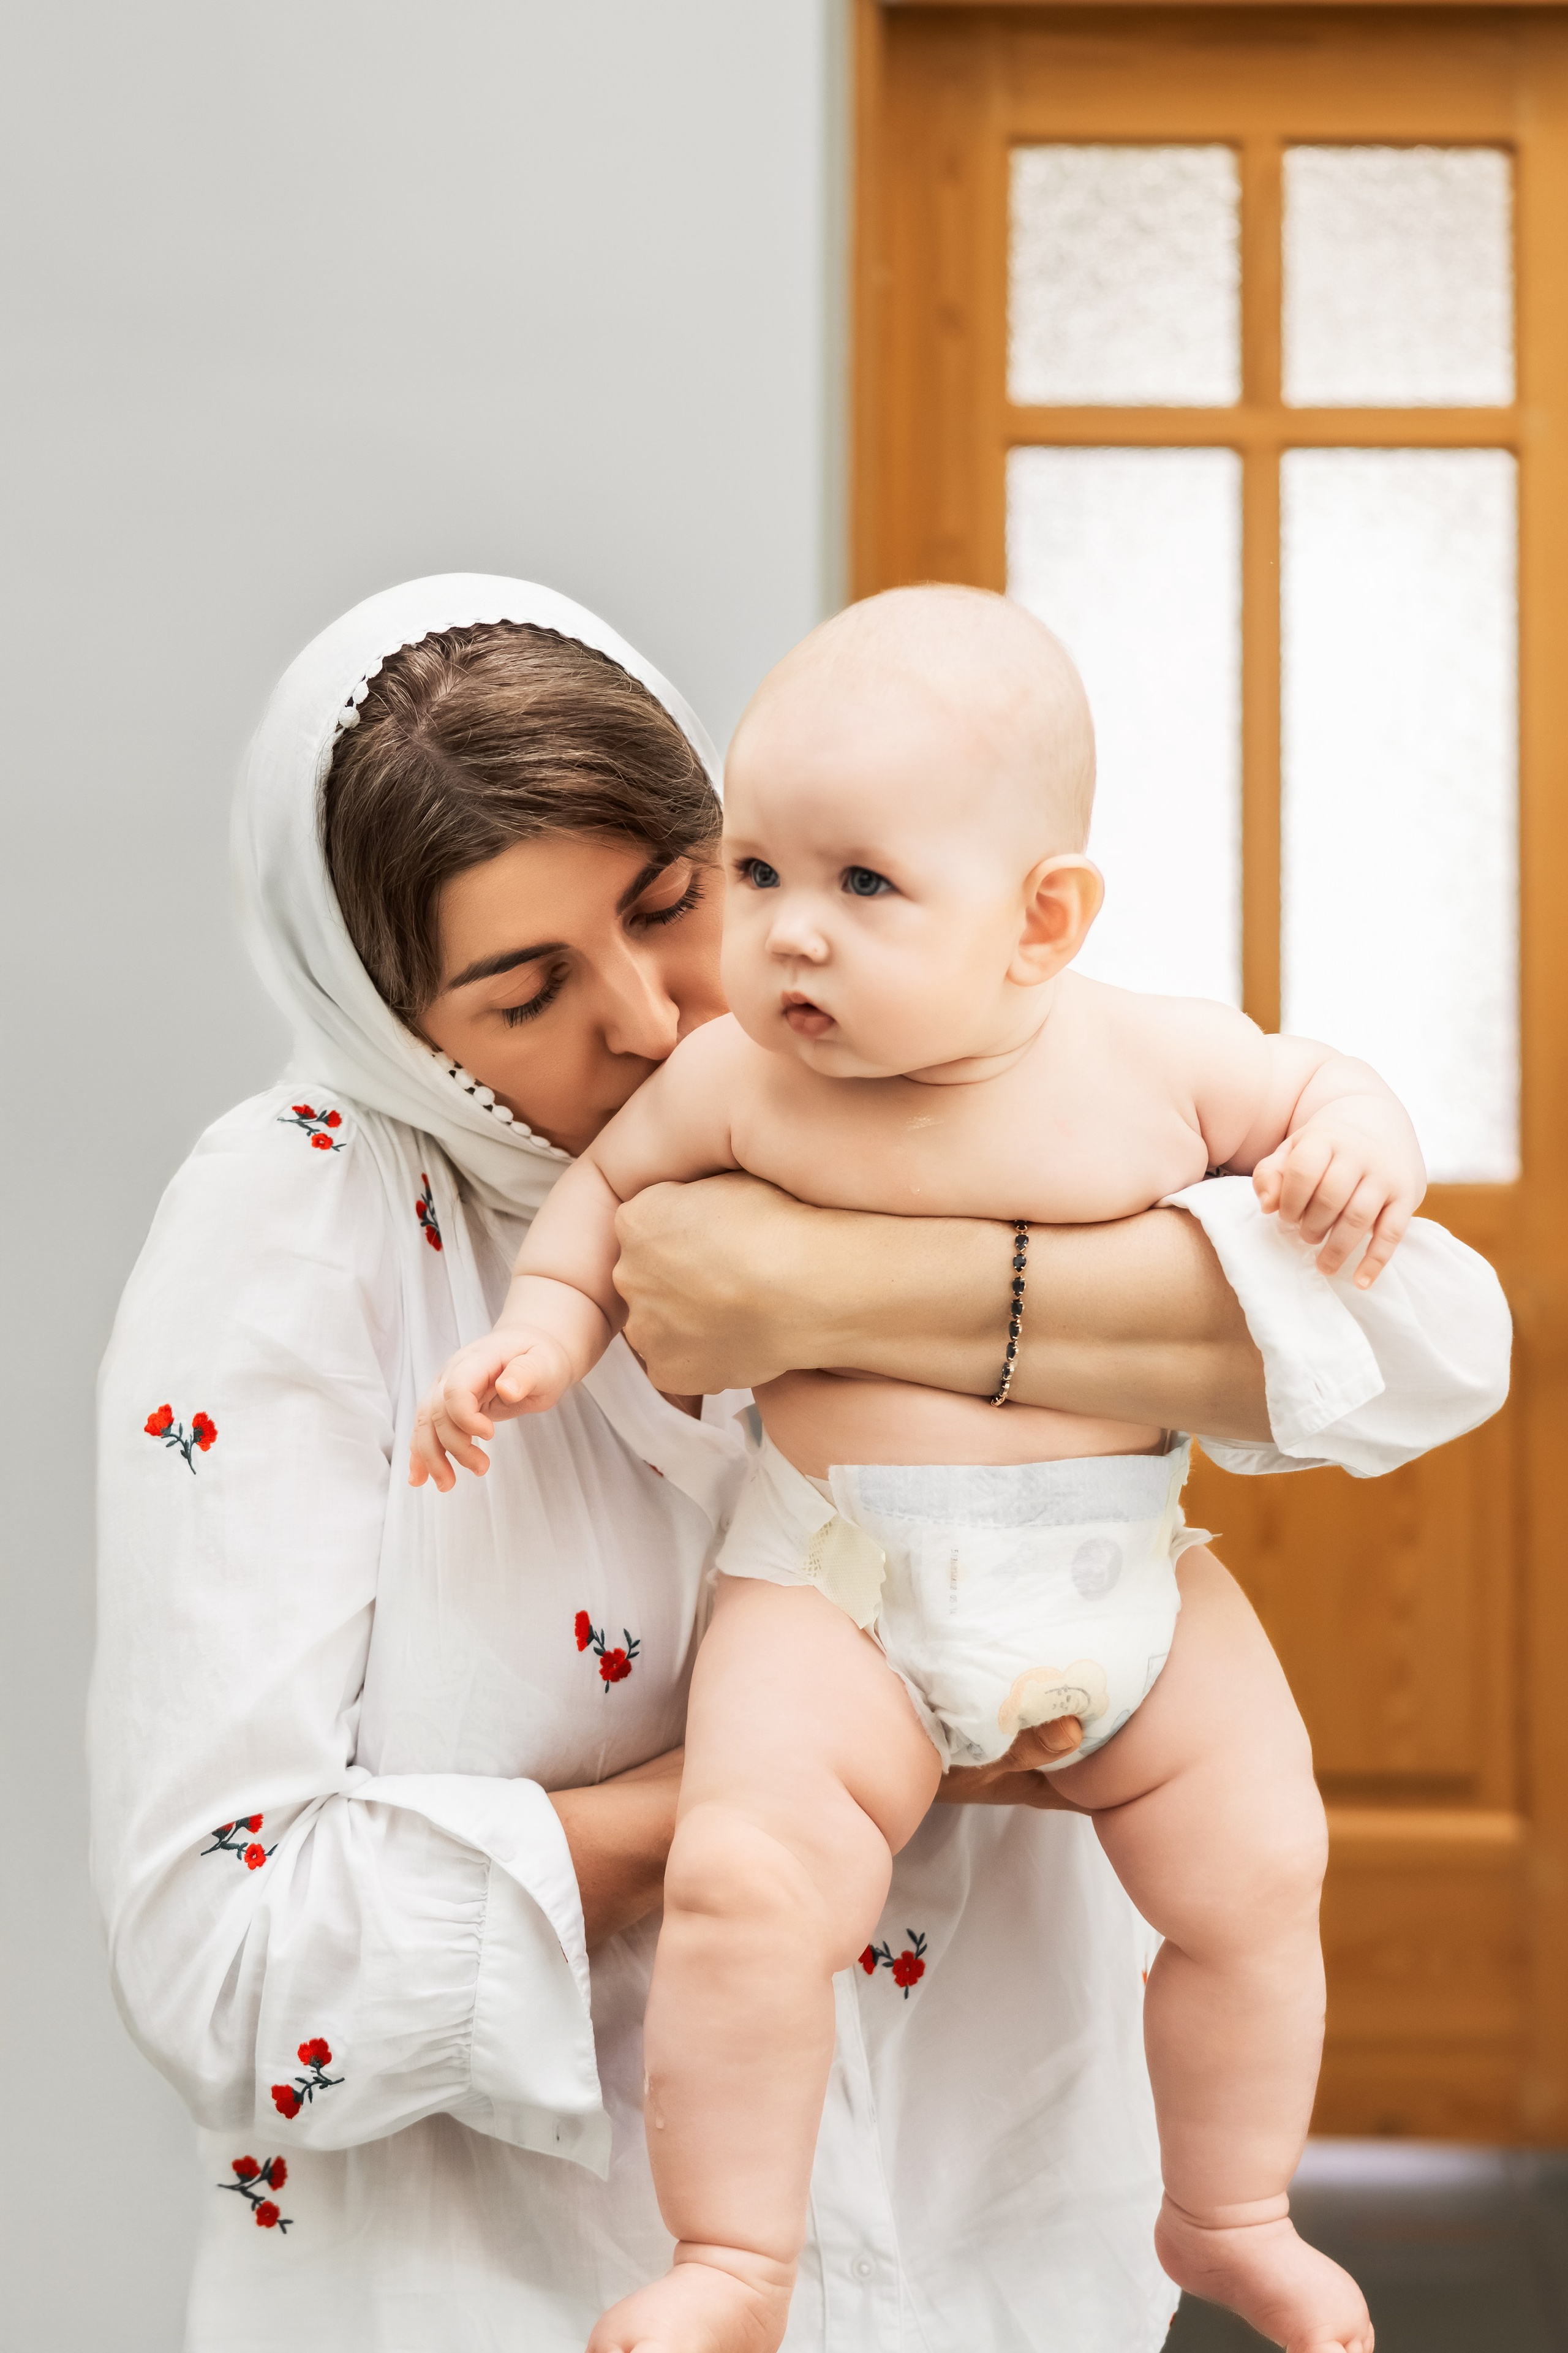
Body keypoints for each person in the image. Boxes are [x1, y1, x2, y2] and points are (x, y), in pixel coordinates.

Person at [89, 576, 1510, 2353]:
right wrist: (747, 1807)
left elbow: (1440, 1340)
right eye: (524, 990)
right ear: (388, 1017)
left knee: (1259, 1857)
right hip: (524, 2290)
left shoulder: (947, 1051)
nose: (651, 1012)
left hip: (992, 2259)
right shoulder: (307, 1213)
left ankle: (1235, 2207)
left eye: (677, 899)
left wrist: (857, 1281)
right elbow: (224, 1968)